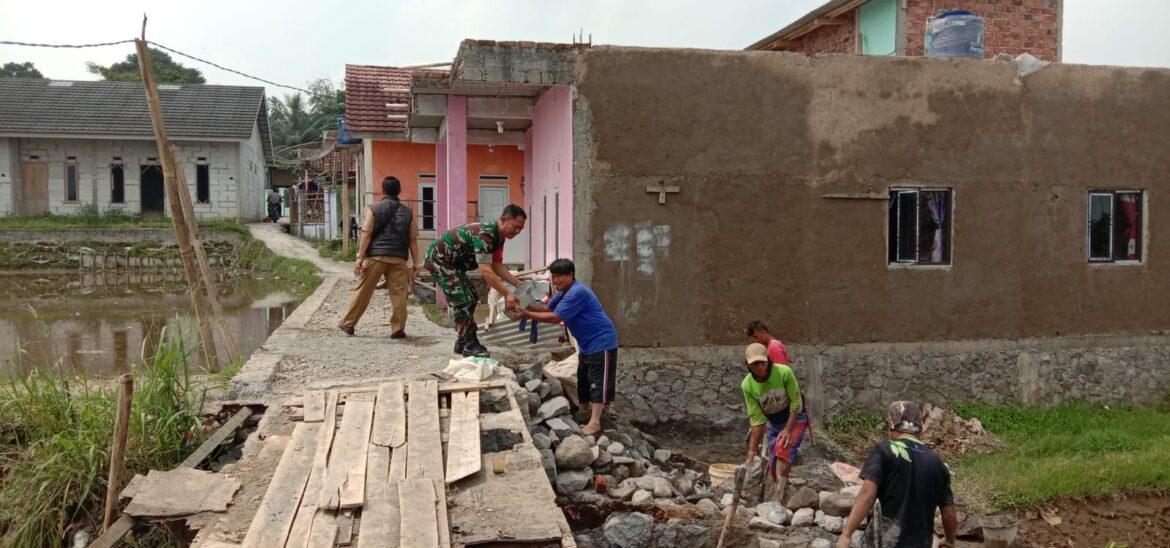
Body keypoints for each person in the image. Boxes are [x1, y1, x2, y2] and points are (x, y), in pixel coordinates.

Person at [837, 401, 958, 548]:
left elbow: (867, 496)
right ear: (919, 429)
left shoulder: (884, 450)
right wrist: (950, 540)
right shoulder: (937, 462)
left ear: (893, 427)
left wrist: (846, 534)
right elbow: (949, 511)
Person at [518, 258, 618, 436]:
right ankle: (583, 412)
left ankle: (595, 422)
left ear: (570, 275)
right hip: (587, 344)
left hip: (601, 342)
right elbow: (547, 308)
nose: (554, 281)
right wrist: (521, 302)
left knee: (597, 382)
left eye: (558, 277)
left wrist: (526, 314)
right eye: (552, 277)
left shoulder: (577, 292)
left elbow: (555, 317)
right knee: (583, 379)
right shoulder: (564, 292)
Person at [424, 205, 527, 357]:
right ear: (504, 220)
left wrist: (519, 284)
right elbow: (485, 271)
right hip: (441, 260)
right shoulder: (486, 235)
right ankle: (470, 344)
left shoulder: (498, 238)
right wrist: (506, 294)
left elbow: (497, 265)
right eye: (516, 227)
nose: (517, 232)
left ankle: (462, 341)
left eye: (521, 229)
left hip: (454, 264)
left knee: (472, 297)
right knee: (464, 299)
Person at [338, 176, 419, 339]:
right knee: (400, 294)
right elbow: (413, 240)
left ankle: (349, 323)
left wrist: (360, 257)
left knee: (363, 291)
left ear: (382, 191)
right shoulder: (408, 212)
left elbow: (366, 233)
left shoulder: (374, 209)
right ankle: (397, 329)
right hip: (398, 258)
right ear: (400, 191)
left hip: (376, 257)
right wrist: (416, 263)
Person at [742, 342, 808, 501]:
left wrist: (787, 430)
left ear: (768, 360)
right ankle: (782, 491)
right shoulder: (748, 385)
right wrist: (752, 450)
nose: (759, 366)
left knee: (782, 449)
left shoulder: (784, 373)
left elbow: (796, 402)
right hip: (773, 422)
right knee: (773, 465)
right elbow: (757, 419)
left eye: (761, 362)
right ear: (748, 365)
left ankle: (777, 499)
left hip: (794, 418)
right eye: (754, 364)